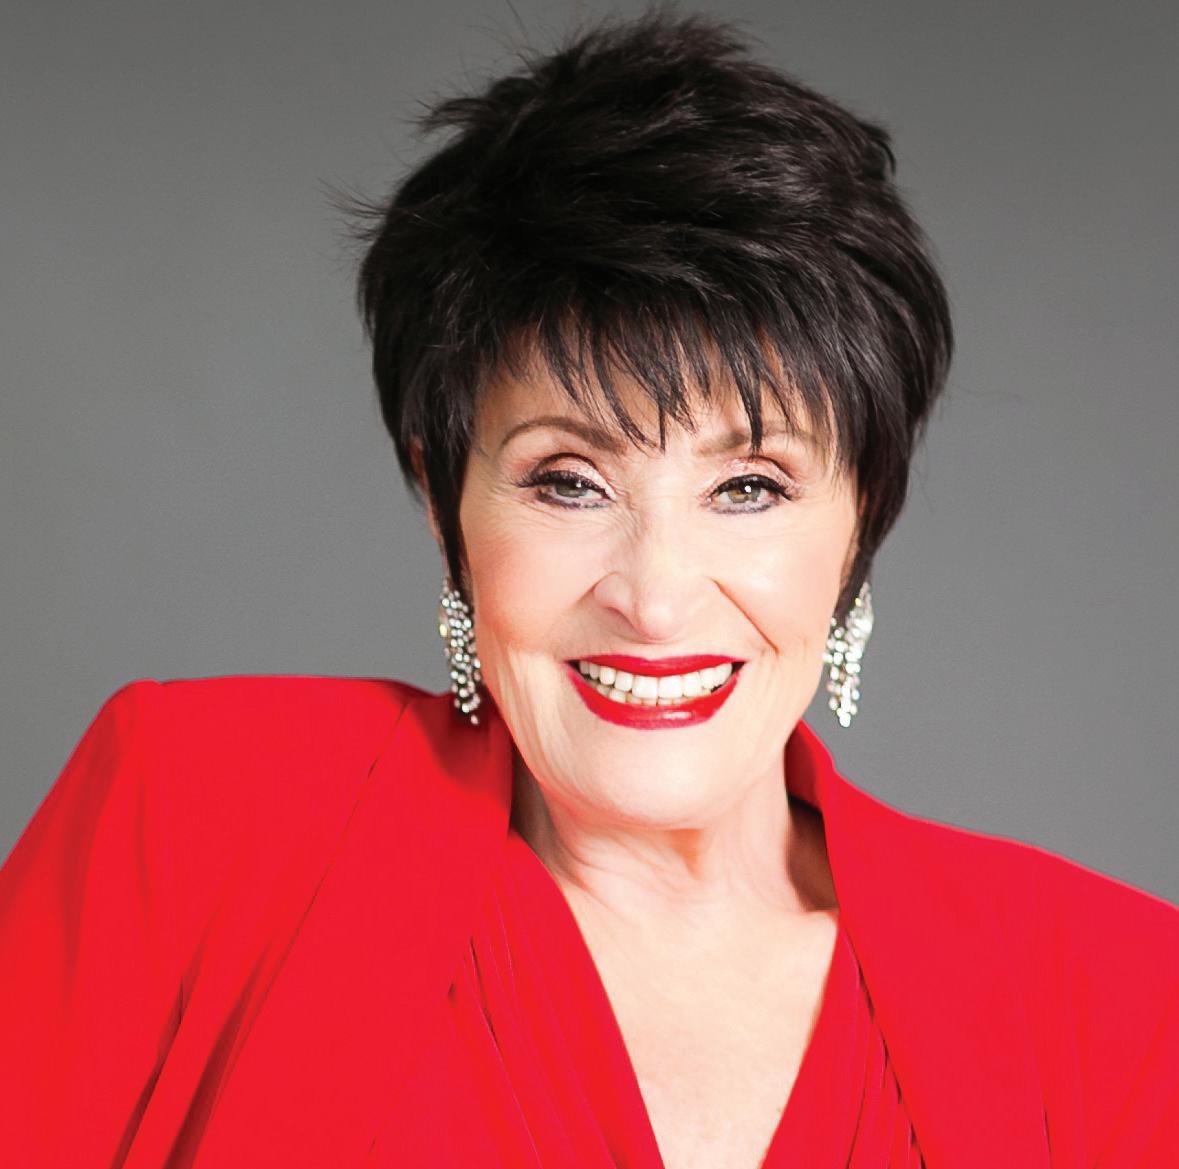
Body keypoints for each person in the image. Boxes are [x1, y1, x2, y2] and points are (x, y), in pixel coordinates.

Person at [1, 8, 1176, 1168]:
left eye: (750, 485)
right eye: (569, 480)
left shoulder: (1122, 1000)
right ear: (444, 500)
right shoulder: (191, 823)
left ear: (862, 517)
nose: (654, 598)